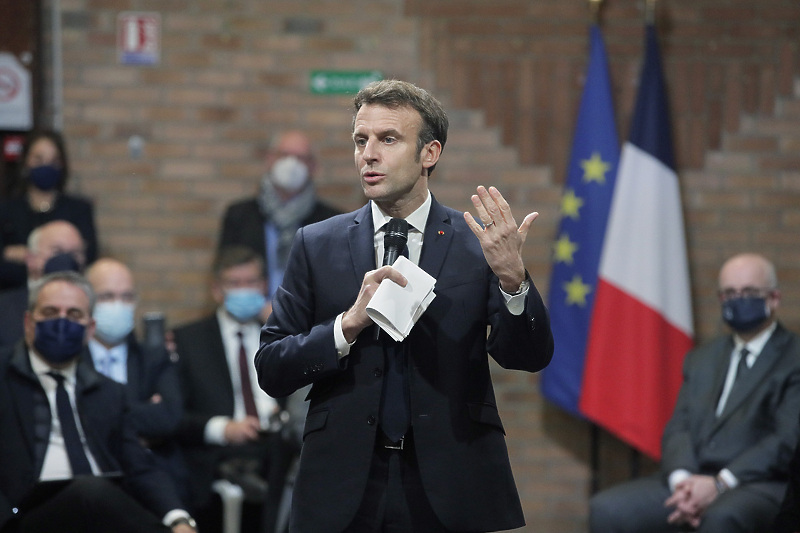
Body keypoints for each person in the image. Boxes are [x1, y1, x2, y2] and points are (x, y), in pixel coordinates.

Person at [255, 79, 554, 533]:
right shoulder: (317, 244)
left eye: (388, 139)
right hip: (344, 485)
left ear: (429, 153)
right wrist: (345, 327)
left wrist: (514, 280)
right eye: (361, 140)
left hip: (451, 482)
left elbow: (529, 357)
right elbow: (272, 369)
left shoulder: (478, 246)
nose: (368, 154)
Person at [589, 253, 800, 533]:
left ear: (773, 298)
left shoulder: (793, 356)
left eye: (748, 292)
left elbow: (786, 440)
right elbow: (679, 427)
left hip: (759, 483)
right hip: (692, 477)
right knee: (608, 509)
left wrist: (720, 483)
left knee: (721, 519)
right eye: (729, 293)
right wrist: (682, 482)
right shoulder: (702, 358)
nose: (738, 299)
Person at [0, 271, 197, 532]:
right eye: (49, 312)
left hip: (102, 513)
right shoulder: (3, 375)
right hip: (25, 515)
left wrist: (178, 519)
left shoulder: (107, 392)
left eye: (73, 314)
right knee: (88, 488)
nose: (61, 322)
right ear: (28, 322)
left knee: (98, 492)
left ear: (89, 329)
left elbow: (139, 466)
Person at [173, 246, 287, 533]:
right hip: (217, 457)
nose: (244, 291)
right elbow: (174, 415)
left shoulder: (279, 334)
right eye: (235, 284)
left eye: (251, 283)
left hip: (277, 452)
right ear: (217, 290)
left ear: (264, 286)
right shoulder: (187, 340)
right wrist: (223, 429)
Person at [85, 257, 189, 501]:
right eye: (107, 297)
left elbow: (170, 417)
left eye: (127, 297)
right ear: (86, 300)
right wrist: (141, 411)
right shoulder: (74, 358)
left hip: (153, 475)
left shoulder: (153, 357)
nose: (118, 305)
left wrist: (105, 416)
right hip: (91, 478)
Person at [218, 129, 340, 300]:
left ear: (313, 166)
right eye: (284, 155)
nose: (291, 164)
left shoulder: (331, 221)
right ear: (269, 159)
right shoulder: (239, 215)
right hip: (251, 316)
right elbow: (227, 271)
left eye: (301, 158)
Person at [0, 130, 98, 291]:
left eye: (53, 160)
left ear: (62, 164)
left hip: (68, 292)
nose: (46, 165)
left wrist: (24, 255)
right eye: (38, 159)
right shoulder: (6, 210)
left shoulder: (78, 209)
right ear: (25, 161)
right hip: (14, 294)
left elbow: (87, 258)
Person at [0, 220, 86, 350]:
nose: (66, 259)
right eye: (57, 251)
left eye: (74, 253)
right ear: (30, 258)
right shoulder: (3, 308)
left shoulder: (91, 307)